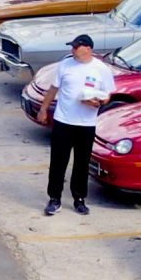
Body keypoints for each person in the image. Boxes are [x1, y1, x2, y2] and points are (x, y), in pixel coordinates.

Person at [44, 33, 115, 216]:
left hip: (86, 123)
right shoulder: (65, 65)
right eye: (72, 47)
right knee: (58, 161)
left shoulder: (101, 69)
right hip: (63, 120)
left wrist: (98, 102)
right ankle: (54, 198)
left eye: (76, 47)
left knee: (81, 163)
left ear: (88, 49)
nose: (73, 50)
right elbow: (54, 88)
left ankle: (79, 198)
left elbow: (107, 94)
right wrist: (43, 108)